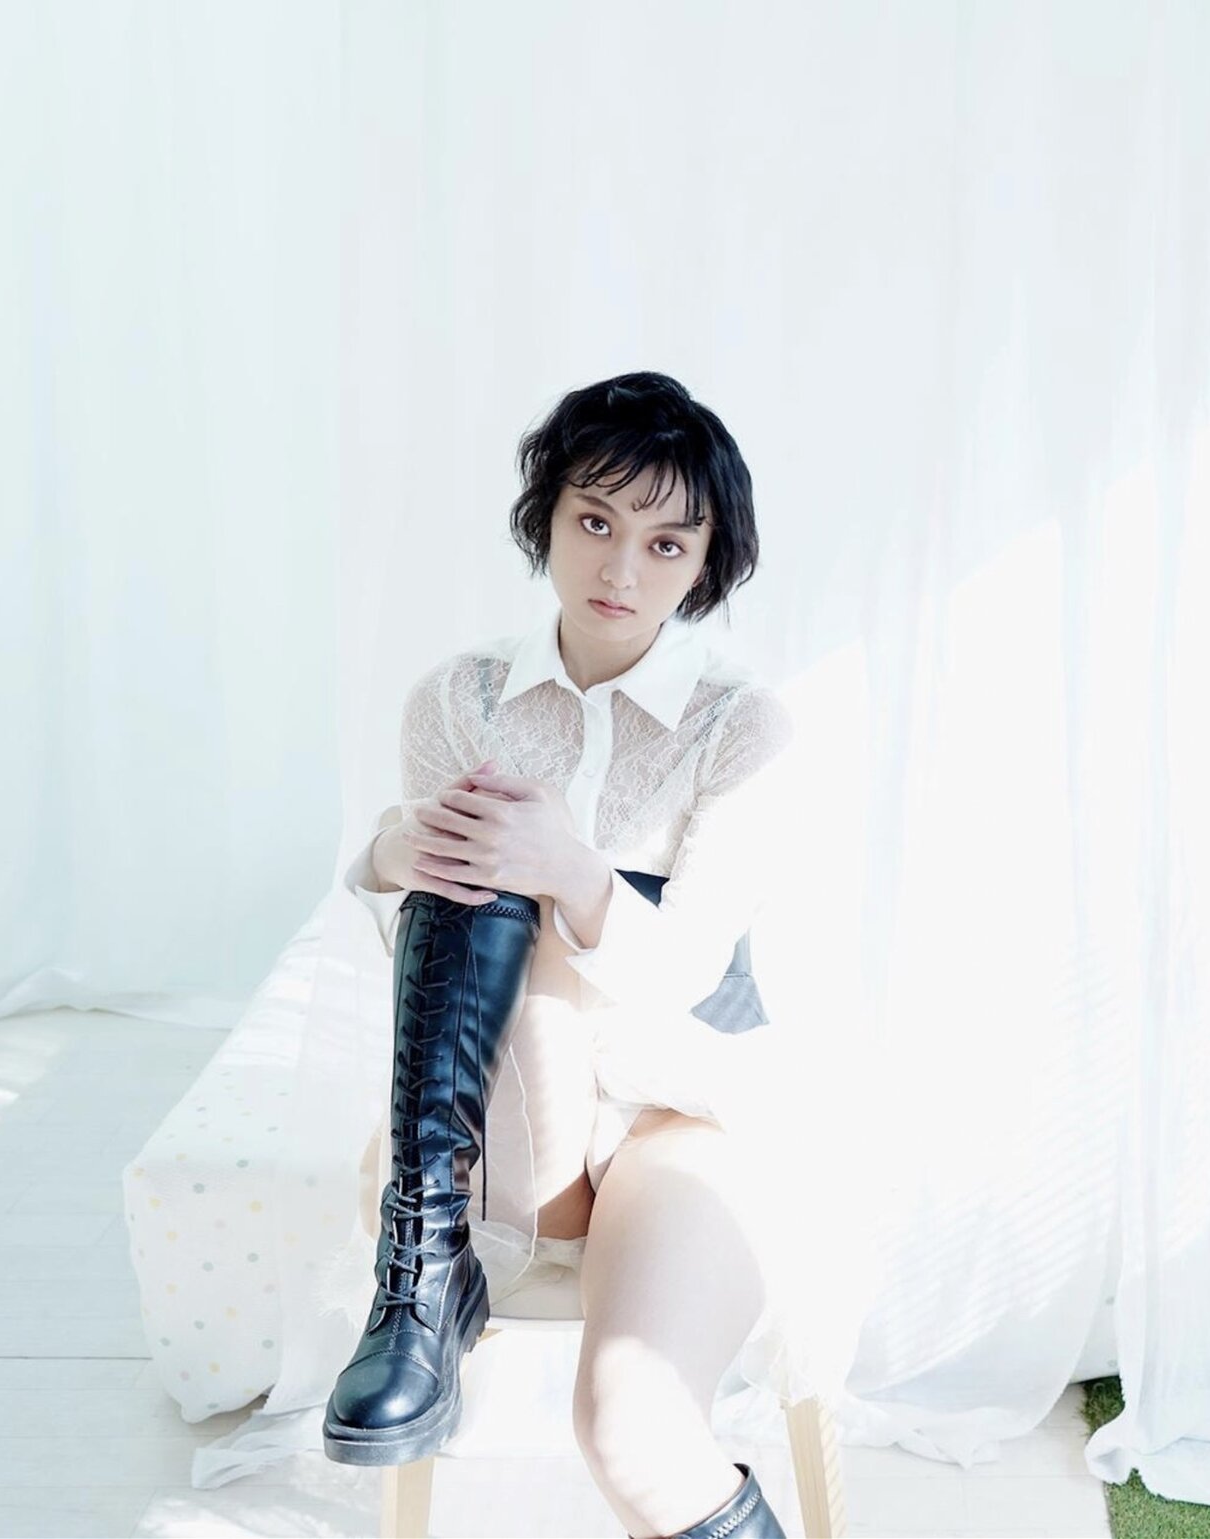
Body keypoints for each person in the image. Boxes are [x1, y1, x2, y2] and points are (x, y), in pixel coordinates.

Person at [325, 371, 799, 1539]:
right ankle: (425, 1269)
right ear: (546, 516)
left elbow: (690, 974)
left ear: (707, 564)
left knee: (634, 1435)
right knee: (474, 866)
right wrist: (391, 850)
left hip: (677, 1114)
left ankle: (427, 1273)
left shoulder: (740, 727)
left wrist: (575, 870)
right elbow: (425, 945)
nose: (620, 570)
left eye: (666, 542)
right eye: (594, 521)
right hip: (503, 1129)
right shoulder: (463, 697)